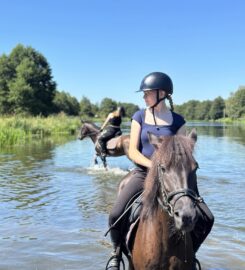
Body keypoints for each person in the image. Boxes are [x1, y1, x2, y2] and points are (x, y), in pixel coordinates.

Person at [105, 72, 214, 270]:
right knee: (115, 213)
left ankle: (191, 252)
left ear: (161, 93)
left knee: (207, 218)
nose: (144, 97)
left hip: (173, 177)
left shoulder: (178, 121)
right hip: (143, 173)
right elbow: (133, 151)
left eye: (147, 93)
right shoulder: (139, 116)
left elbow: (184, 154)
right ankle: (116, 252)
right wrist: (153, 166)